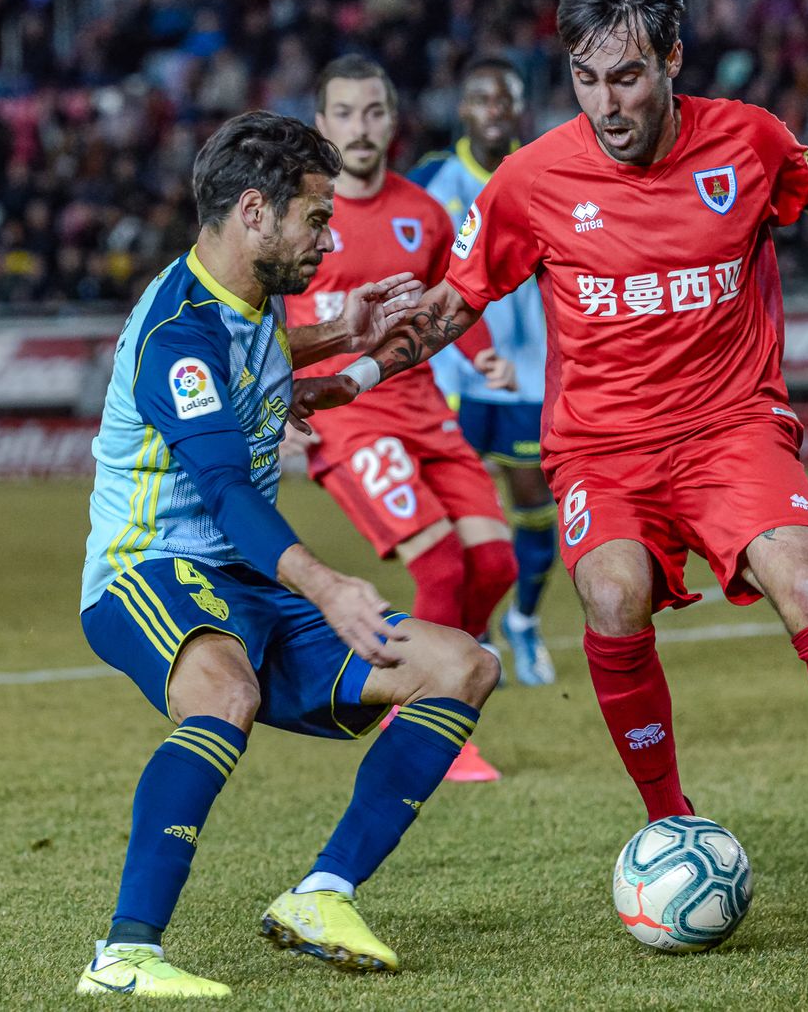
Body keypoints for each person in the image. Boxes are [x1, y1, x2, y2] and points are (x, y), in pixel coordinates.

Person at [294, 0, 808, 936]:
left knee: (807, 581)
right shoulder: (533, 180)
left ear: (672, 63)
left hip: (729, 427)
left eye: (627, 76)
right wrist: (349, 379)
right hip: (602, 449)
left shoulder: (746, 142)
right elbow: (452, 307)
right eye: (584, 76)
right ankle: (670, 825)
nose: (606, 102)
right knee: (610, 596)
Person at [75, 111, 498, 998]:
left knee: (459, 664)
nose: (329, 237)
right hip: (149, 569)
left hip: (243, 580)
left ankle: (323, 894)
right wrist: (329, 584)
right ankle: (124, 955)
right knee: (225, 691)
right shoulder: (177, 335)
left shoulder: (249, 303)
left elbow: (260, 365)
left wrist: (342, 336)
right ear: (256, 212)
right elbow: (227, 489)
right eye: (317, 218)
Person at [283, 55, 518, 783]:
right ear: (321, 125)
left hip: (421, 405)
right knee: (442, 562)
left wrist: (478, 357)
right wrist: (278, 393)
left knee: (496, 560)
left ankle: (447, 673)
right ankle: (422, 718)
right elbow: (262, 313)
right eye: (344, 113)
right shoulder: (298, 217)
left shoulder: (422, 213)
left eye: (373, 112)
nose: (360, 128)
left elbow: (453, 297)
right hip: (346, 415)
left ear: (394, 120)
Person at [410, 56, 560, 686]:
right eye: (480, 99)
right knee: (456, 513)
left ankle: (522, 622)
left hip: (529, 373)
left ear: (518, 109)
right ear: (462, 109)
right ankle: (469, 636)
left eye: (504, 100)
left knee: (532, 502)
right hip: (453, 379)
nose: (493, 110)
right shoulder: (430, 182)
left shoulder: (551, 170)